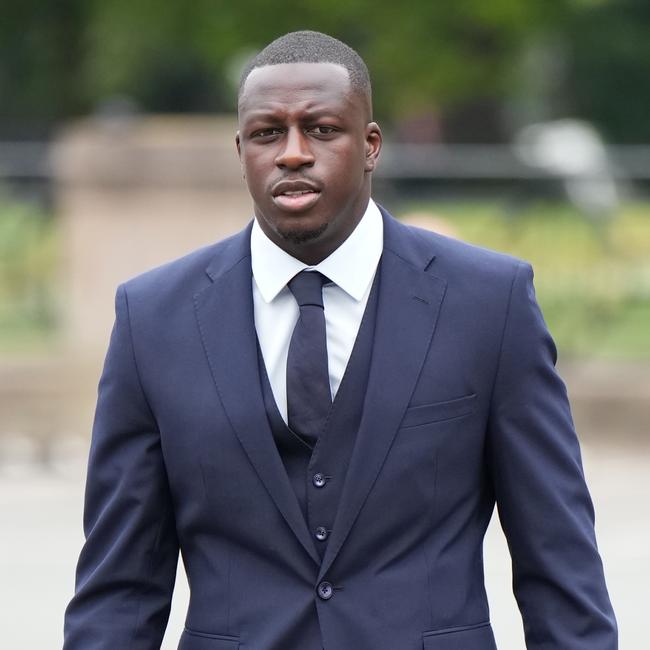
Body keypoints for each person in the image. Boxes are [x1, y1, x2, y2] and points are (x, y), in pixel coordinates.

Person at [63, 30, 617, 650]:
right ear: (241, 148)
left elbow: (560, 564)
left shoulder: (489, 303)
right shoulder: (153, 318)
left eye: (322, 129)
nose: (293, 153)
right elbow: (120, 587)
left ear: (371, 145)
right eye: (269, 133)